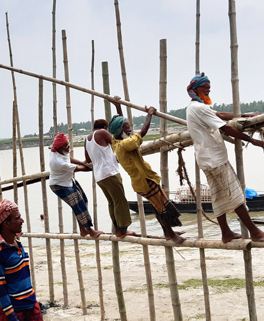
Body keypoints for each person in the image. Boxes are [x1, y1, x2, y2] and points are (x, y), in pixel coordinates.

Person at [185, 72, 264, 243]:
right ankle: (255, 232)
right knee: (235, 194)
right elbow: (226, 128)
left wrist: (246, 115)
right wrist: (252, 140)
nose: (208, 92)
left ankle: (226, 232)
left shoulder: (192, 108)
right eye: (205, 89)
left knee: (218, 196)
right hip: (215, 158)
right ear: (196, 89)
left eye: (209, 89)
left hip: (204, 159)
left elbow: (219, 115)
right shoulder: (200, 108)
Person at [109, 103, 185, 243]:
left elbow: (120, 121)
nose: (130, 129)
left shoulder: (116, 141)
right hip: (145, 181)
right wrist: (149, 114)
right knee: (162, 207)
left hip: (143, 181)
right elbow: (142, 133)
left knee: (158, 207)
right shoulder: (125, 144)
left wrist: (118, 106)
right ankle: (170, 234)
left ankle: (168, 231)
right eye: (127, 127)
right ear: (120, 131)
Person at [0, 199, 42, 321]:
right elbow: (0, 290)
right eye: (17, 218)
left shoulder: (17, 243)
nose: (22, 221)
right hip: (14, 312)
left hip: (31, 305)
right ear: (6, 224)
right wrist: (12, 317)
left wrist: (34, 301)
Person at [84, 114, 135, 238]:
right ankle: (122, 230)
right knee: (120, 201)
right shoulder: (102, 133)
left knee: (112, 202)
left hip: (99, 176)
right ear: (105, 127)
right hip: (109, 172)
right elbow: (117, 143)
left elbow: (87, 159)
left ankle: (117, 228)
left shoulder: (87, 138)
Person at [48, 132, 103, 238]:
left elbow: (69, 159)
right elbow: (78, 169)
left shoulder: (59, 151)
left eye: (68, 144)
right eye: (66, 146)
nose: (68, 147)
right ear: (59, 148)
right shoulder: (57, 162)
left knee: (83, 200)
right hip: (59, 185)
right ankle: (90, 230)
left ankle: (83, 229)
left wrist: (82, 162)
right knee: (78, 205)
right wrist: (95, 166)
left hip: (68, 180)